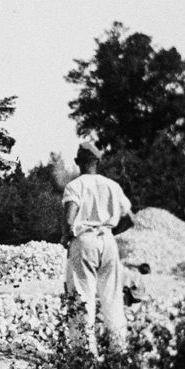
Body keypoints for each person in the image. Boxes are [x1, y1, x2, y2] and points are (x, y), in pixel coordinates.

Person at [61, 140, 133, 355]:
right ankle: (119, 350)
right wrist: (110, 233)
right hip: (108, 241)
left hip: (84, 240)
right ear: (98, 162)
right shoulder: (112, 185)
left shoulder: (75, 186)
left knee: (83, 296)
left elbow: (68, 219)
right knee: (112, 297)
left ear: (77, 162)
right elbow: (129, 218)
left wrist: (66, 237)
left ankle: (86, 355)